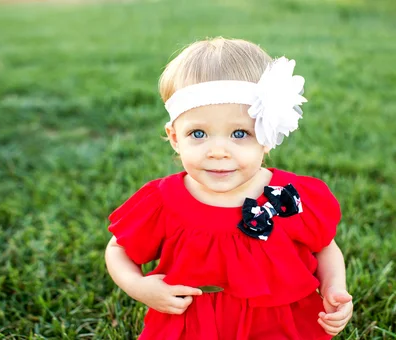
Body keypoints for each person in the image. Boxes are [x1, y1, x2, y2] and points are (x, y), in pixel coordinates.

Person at [105, 37, 353, 340]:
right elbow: (119, 249)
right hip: (192, 324)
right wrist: (139, 287)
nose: (218, 151)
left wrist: (333, 288)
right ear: (174, 137)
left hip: (278, 323)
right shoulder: (163, 201)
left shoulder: (288, 196)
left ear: (266, 135)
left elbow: (323, 247)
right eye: (198, 133)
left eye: (240, 133)